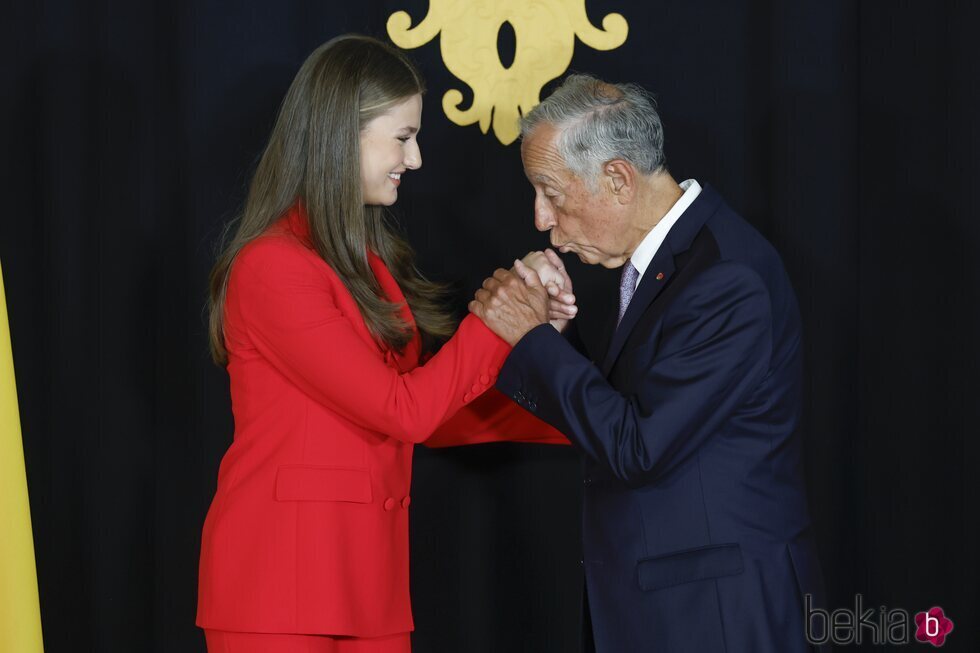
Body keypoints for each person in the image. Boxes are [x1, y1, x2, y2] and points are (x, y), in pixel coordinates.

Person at [197, 35, 569, 653]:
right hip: (277, 589)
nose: (416, 159)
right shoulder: (273, 266)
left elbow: (424, 409)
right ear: (341, 133)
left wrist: (537, 351)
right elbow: (407, 411)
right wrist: (498, 322)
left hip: (369, 586)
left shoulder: (366, 264)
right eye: (402, 137)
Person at [470, 74, 825, 652]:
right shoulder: (671, 260)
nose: (540, 219)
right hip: (667, 608)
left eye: (551, 193)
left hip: (717, 616)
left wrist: (531, 339)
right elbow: (635, 415)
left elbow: (637, 448)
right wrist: (555, 339)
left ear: (616, 178)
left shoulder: (726, 278)